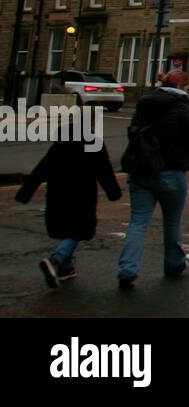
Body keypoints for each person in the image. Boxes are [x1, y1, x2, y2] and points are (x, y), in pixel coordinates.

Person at [117, 68, 189, 290]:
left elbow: (133, 131)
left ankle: (127, 269)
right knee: (172, 221)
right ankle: (173, 264)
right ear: (182, 86)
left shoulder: (143, 104)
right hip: (171, 171)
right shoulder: (181, 107)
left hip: (142, 169)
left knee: (138, 222)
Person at [16, 118, 122, 288]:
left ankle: (66, 268)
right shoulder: (93, 144)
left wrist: (25, 193)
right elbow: (104, 171)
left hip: (58, 194)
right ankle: (57, 259)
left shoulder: (60, 145)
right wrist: (113, 193)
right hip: (82, 195)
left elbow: (41, 169)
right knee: (78, 230)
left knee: (67, 228)